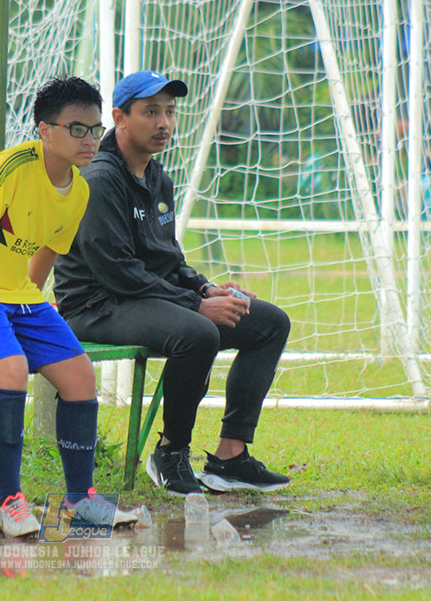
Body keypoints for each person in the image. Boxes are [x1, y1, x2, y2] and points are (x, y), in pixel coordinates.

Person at [54, 70, 292, 496]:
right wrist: (196, 306)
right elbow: (117, 271)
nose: (163, 123)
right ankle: (170, 452)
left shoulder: (157, 177)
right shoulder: (100, 179)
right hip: (94, 307)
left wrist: (206, 289)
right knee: (197, 333)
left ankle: (230, 458)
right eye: (150, 112)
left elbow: (166, 257)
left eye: (169, 112)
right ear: (120, 118)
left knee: (269, 322)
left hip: (143, 298)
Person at [0, 76, 137, 537]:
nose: (89, 139)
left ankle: (80, 501)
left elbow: (45, 255)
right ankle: (10, 503)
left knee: (81, 376)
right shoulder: (13, 166)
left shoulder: (80, 189)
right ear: (45, 130)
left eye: (95, 129)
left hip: (16, 292)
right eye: (76, 128)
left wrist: (27, 315)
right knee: (12, 369)